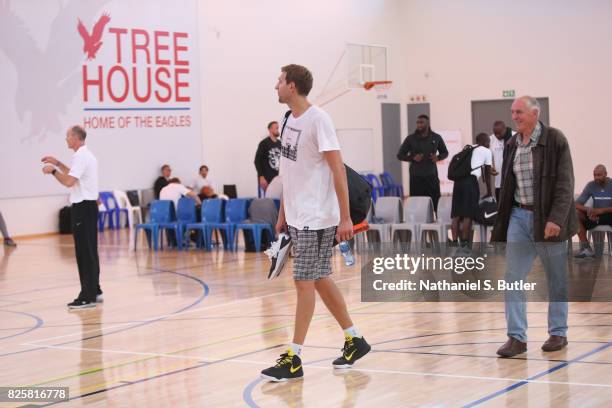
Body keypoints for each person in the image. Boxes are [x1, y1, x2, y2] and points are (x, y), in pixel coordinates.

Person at [260, 64, 370, 382]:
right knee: (319, 278)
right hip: (296, 215)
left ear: (292, 86)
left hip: (317, 217)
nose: (276, 85)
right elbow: (289, 172)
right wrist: (282, 212)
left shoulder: (319, 120)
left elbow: (337, 170)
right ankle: (355, 339)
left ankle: (293, 358)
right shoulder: (286, 120)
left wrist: (345, 217)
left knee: (303, 281)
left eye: (279, 81)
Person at [492, 96, 578, 357]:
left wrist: (556, 219)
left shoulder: (555, 139)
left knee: (555, 279)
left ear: (534, 113)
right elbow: (508, 187)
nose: (514, 117)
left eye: (519, 112)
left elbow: (565, 183)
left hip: (547, 219)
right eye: (512, 112)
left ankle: (558, 332)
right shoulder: (511, 145)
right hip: (519, 217)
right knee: (512, 277)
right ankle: (516, 338)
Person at [41, 125, 102, 309]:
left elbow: (68, 181)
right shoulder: (85, 155)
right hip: (89, 207)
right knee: (90, 250)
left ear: (76, 138)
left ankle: (87, 296)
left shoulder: (81, 156)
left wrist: (52, 171)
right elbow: (74, 174)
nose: (66, 139)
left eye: (68, 136)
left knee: (84, 252)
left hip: (83, 208)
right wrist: (58, 163)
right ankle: (95, 289)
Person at [397, 114, 448, 212]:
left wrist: (437, 157)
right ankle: (418, 224)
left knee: (435, 202)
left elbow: (445, 152)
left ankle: (436, 223)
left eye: (421, 122)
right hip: (416, 176)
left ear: (427, 124)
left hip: (431, 176)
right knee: (417, 204)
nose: (419, 125)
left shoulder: (436, 137)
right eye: (417, 122)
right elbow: (400, 155)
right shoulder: (410, 139)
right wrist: (412, 157)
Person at [451, 133, 493, 250]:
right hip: (470, 182)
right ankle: (465, 243)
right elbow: (487, 177)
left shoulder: (469, 148)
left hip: (458, 183)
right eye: (488, 142)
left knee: (456, 215)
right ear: (485, 142)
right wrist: (489, 192)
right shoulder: (486, 151)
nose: (489, 144)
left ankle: (454, 243)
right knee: (468, 214)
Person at [574, 164, 612, 258]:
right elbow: (576, 204)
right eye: (594, 175)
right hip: (594, 215)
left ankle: (598, 219)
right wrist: (589, 210)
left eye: (599, 175)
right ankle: (586, 248)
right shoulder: (591, 185)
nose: (596, 177)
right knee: (575, 215)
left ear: (605, 174)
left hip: (609, 215)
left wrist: (601, 211)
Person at [490, 120, 516, 201]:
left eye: (499, 133)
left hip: (514, 181)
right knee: (501, 208)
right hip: (499, 182)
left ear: (505, 129)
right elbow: (485, 155)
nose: (497, 135)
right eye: (495, 133)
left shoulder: (515, 136)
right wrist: (489, 167)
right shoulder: (491, 139)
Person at [255, 121, 282, 193]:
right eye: (276, 128)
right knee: (265, 201)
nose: (278, 130)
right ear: (270, 129)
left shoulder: (280, 144)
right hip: (266, 179)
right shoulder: (264, 143)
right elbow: (257, 161)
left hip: (276, 179)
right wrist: (261, 177)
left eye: (278, 128)